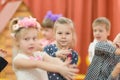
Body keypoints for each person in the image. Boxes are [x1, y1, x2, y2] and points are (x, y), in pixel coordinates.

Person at [10, 16, 79, 80]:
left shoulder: (40, 55)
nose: (31, 42)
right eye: (26, 39)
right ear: (17, 42)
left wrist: (64, 65)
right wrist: (59, 69)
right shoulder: (18, 60)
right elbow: (37, 64)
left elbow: (53, 60)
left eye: (34, 38)